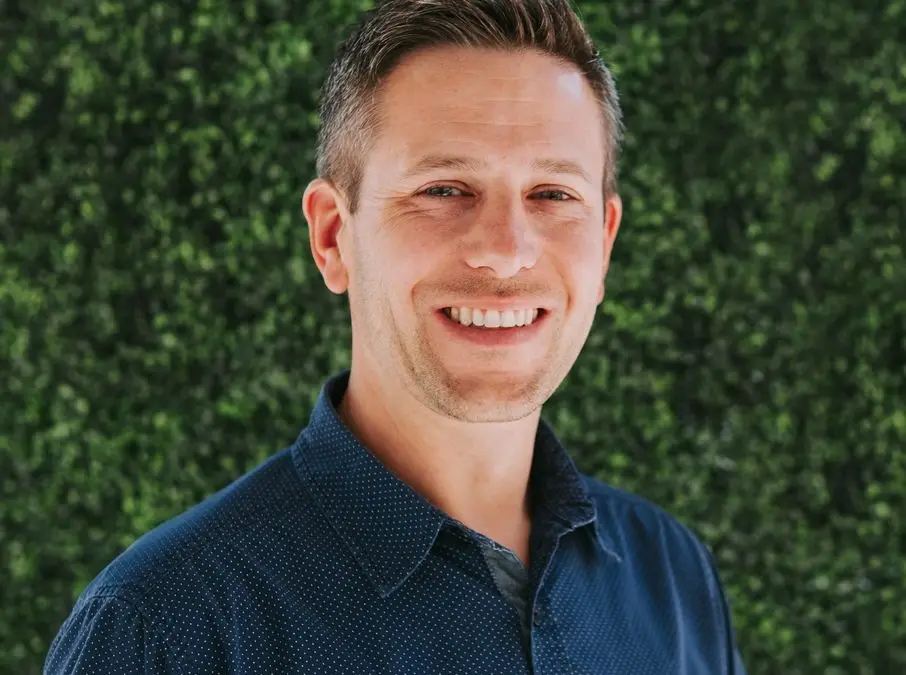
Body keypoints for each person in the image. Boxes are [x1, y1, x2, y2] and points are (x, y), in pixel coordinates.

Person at [45, 1, 748, 673]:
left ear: (605, 241)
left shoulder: (673, 576)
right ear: (333, 236)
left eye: (553, 195)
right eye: (444, 189)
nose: (506, 251)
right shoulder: (164, 628)